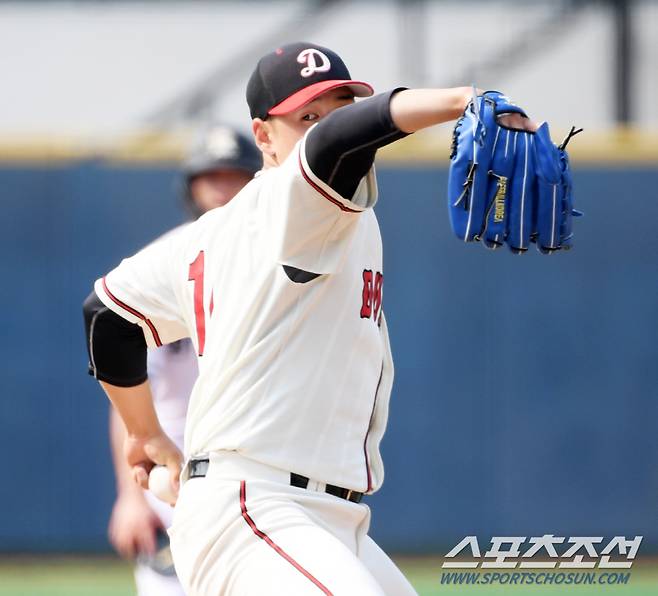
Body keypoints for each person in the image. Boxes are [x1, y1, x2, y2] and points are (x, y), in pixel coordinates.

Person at [83, 42, 536, 595]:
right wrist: (465, 100)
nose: (325, 126)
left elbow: (107, 316)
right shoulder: (293, 201)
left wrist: (144, 434)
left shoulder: (206, 237)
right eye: (306, 117)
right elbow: (341, 141)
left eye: (338, 107)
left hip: (317, 513)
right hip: (257, 509)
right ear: (264, 136)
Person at [105, 124, 260, 596]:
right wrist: (130, 498)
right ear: (190, 186)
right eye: (210, 176)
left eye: (235, 175)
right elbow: (126, 393)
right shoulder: (161, 263)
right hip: (173, 484)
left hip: (257, 481)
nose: (223, 187)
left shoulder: (277, 262)